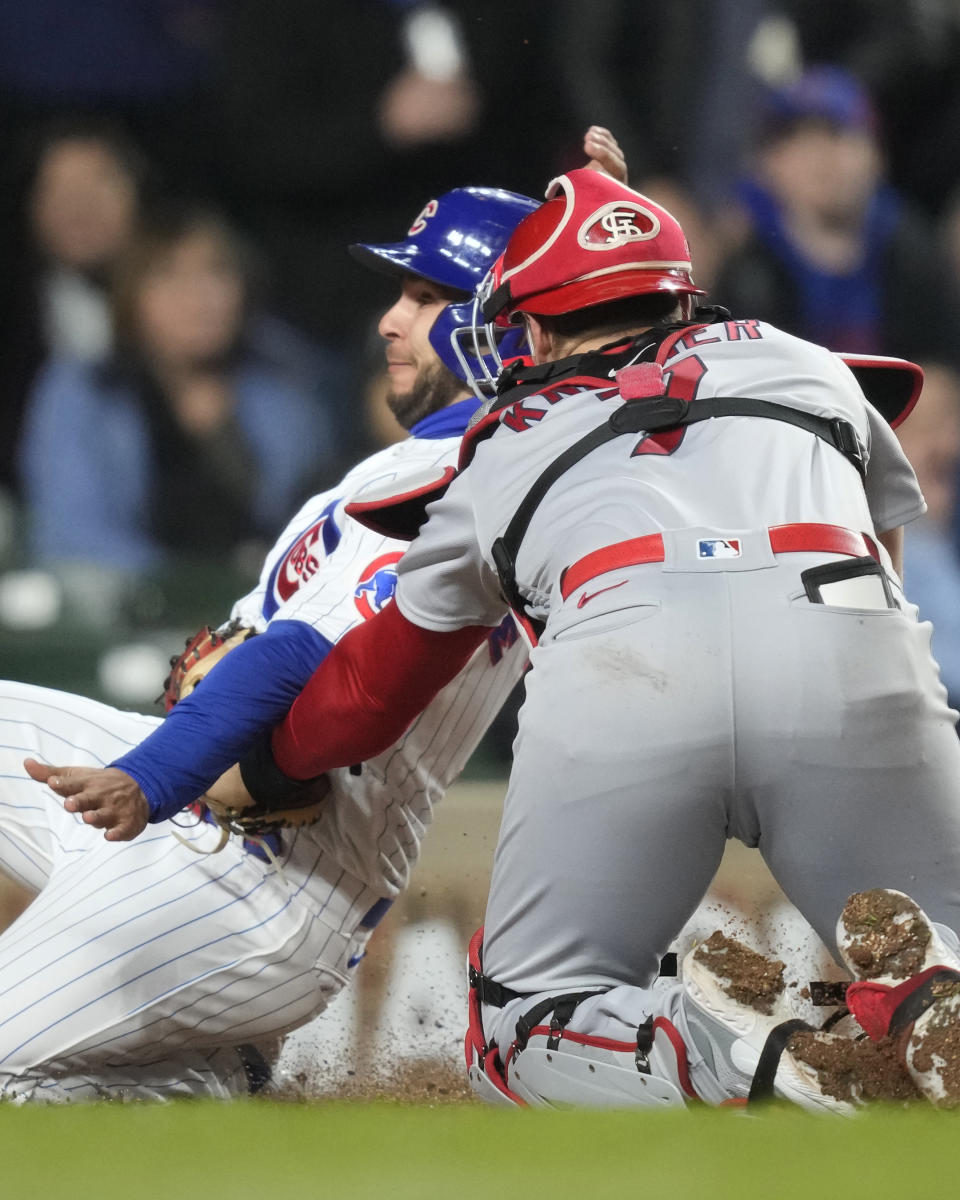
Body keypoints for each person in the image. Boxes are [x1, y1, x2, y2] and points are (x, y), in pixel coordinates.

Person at [68, 167, 960, 1111]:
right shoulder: (806, 362)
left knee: (524, 1028)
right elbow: (881, 547)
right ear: (683, 296)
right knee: (945, 927)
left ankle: (761, 1062)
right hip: (855, 655)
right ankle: (922, 991)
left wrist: (265, 768)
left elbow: (372, 693)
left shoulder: (501, 444)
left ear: (525, 327)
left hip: (633, 677)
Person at [4, 129, 625, 1102]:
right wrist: (599, 239)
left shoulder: (467, 474)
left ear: (501, 325)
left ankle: (194, 1080)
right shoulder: (500, 448)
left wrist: (150, 775)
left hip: (263, 878)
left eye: (425, 298)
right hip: (210, 814)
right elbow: (600, 383)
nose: (390, 318)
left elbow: (299, 656)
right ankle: (201, 1084)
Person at [19, 201, 340, 589]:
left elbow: (313, 527)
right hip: (128, 614)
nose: (200, 297)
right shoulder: (83, 392)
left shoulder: (281, 383)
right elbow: (72, 534)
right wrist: (187, 589)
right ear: (131, 296)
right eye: (170, 275)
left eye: (217, 272)